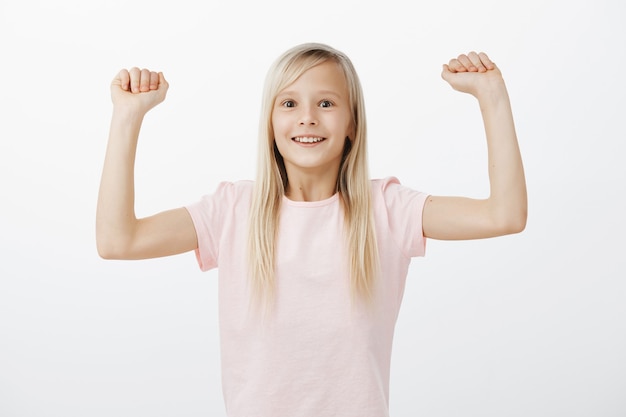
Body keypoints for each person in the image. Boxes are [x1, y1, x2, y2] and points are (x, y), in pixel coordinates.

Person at [96, 42, 527, 417]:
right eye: (289, 104)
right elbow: (118, 241)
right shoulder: (232, 211)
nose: (307, 118)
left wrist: (493, 98)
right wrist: (127, 117)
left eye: (325, 103)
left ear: (352, 124)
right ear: (270, 123)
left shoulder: (387, 209)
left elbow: (503, 215)